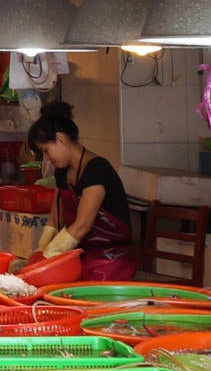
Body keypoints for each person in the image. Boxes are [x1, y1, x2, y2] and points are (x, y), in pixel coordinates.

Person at [25, 100, 137, 279]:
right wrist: (41, 249)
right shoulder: (62, 171)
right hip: (79, 256)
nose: (47, 158)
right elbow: (56, 217)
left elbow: (82, 225)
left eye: (46, 151)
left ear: (60, 139)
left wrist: (49, 255)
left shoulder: (97, 169)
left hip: (111, 259)